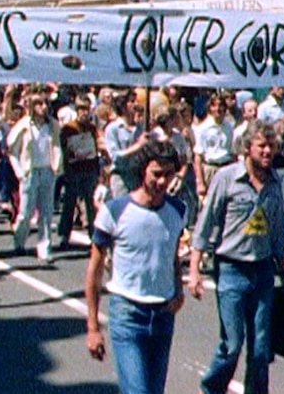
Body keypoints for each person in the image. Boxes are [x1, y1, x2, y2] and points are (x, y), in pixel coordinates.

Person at [188, 120, 284, 394]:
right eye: (261, 146)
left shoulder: (275, 181)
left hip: (263, 271)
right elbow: (205, 224)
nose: (267, 152)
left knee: (261, 349)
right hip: (232, 270)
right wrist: (194, 270)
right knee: (232, 344)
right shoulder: (227, 178)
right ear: (247, 148)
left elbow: (278, 229)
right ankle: (211, 388)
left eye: (271, 146)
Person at [85, 140, 187, 394]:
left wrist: (179, 288)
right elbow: (95, 270)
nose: (163, 181)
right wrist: (93, 327)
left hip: (163, 314)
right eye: (157, 174)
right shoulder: (115, 211)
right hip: (128, 313)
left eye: (168, 174)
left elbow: (171, 253)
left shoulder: (178, 210)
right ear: (143, 171)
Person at [6, 92, 63, 263]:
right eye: (39, 104)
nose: (43, 107)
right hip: (30, 172)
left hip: (47, 170)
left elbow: (57, 146)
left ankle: (44, 247)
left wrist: (56, 168)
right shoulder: (24, 126)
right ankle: (19, 240)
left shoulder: (52, 125)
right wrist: (20, 172)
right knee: (26, 212)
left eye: (45, 103)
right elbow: (12, 152)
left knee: (46, 212)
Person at [58, 95, 105, 249]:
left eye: (87, 109)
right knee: (70, 203)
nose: (84, 113)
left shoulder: (91, 127)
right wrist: (66, 169)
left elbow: (96, 147)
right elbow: (63, 150)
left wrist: (98, 169)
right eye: (81, 110)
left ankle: (94, 235)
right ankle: (65, 235)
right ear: (77, 111)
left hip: (89, 168)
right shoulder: (68, 128)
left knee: (91, 204)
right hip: (74, 169)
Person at [192, 92, 235, 203]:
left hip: (226, 167)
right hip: (210, 169)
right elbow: (198, 158)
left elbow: (232, 153)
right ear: (210, 108)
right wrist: (200, 182)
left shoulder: (229, 128)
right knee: (209, 204)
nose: (218, 109)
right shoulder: (203, 128)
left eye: (221, 106)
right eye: (214, 105)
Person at [104, 90, 147, 198]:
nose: (135, 104)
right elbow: (115, 156)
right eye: (132, 101)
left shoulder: (140, 129)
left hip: (137, 177)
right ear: (123, 106)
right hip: (121, 177)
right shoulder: (113, 129)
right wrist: (137, 146)